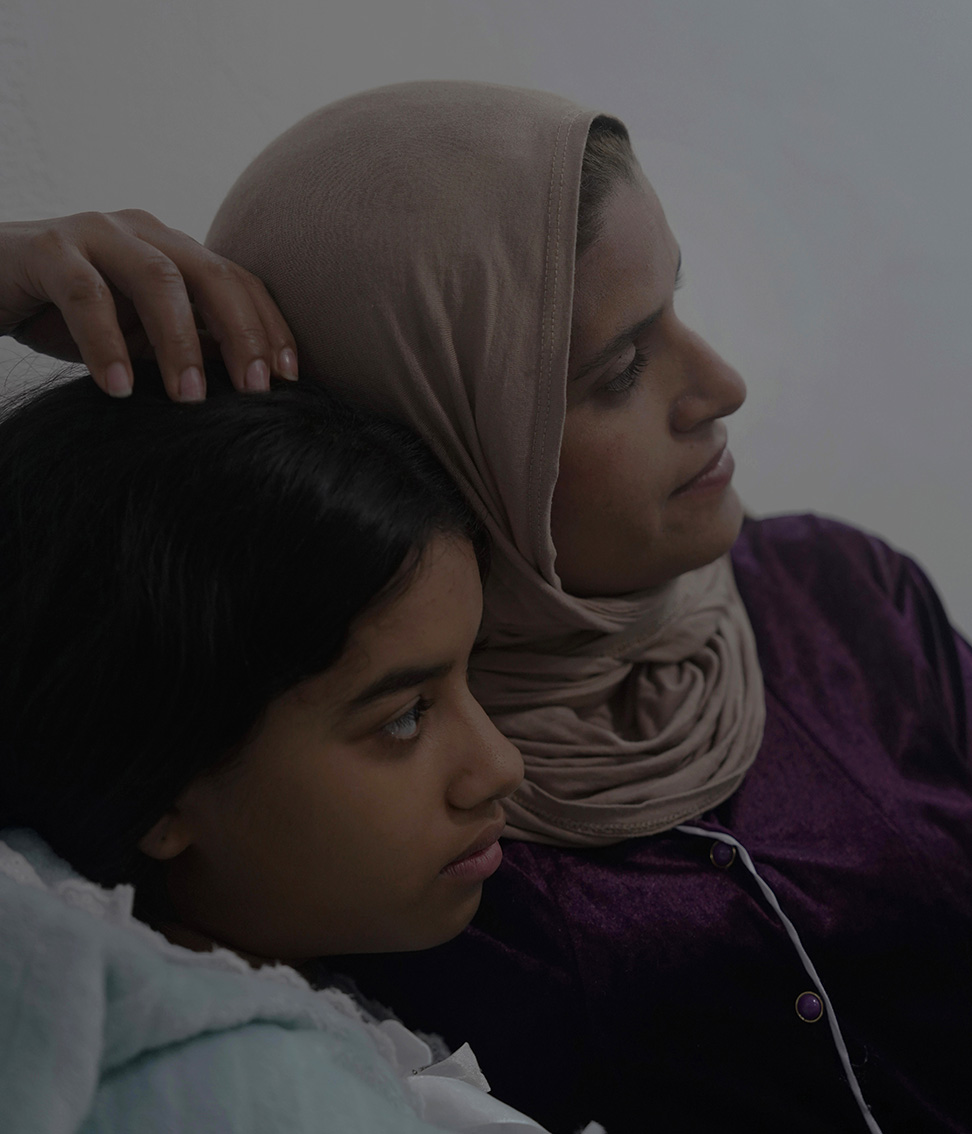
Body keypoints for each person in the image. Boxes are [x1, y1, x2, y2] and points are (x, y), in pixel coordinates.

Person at [5, 80, 972, 1133]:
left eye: (677, 304)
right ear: (450, 421)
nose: (720, 384)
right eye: (619, 370)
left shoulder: (845, 595)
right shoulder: (306, 800)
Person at [0, 362, 608, 1133]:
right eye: (404, 718)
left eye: (470, 676)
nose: (500, 767)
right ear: (151, 780)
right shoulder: (245, 1095)